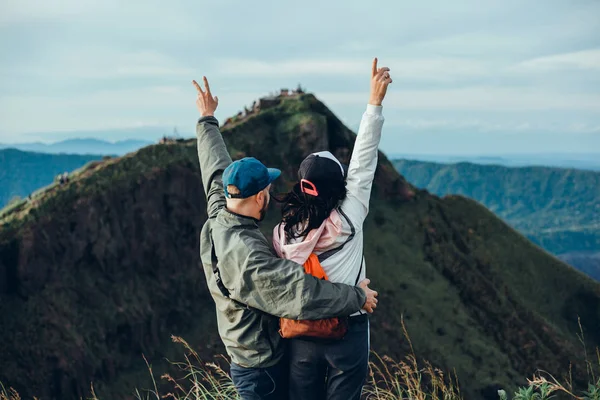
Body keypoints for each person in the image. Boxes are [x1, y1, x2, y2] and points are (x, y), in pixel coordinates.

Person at [192, 76, 379, 400]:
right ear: (256, 198)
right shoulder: (250, 256)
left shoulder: (220, 211)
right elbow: (301, 293)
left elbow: (216, 170)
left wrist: (207, 121)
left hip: (266, 354)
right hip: (262, 368)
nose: (271, 192)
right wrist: (357, 299)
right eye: (266, 188)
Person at [272, 57, 392, 400]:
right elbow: (364, 161)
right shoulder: (350, 214)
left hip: (301, 333)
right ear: (338, 186)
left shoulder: (285, 230)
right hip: (347, 329)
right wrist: (374, 103)